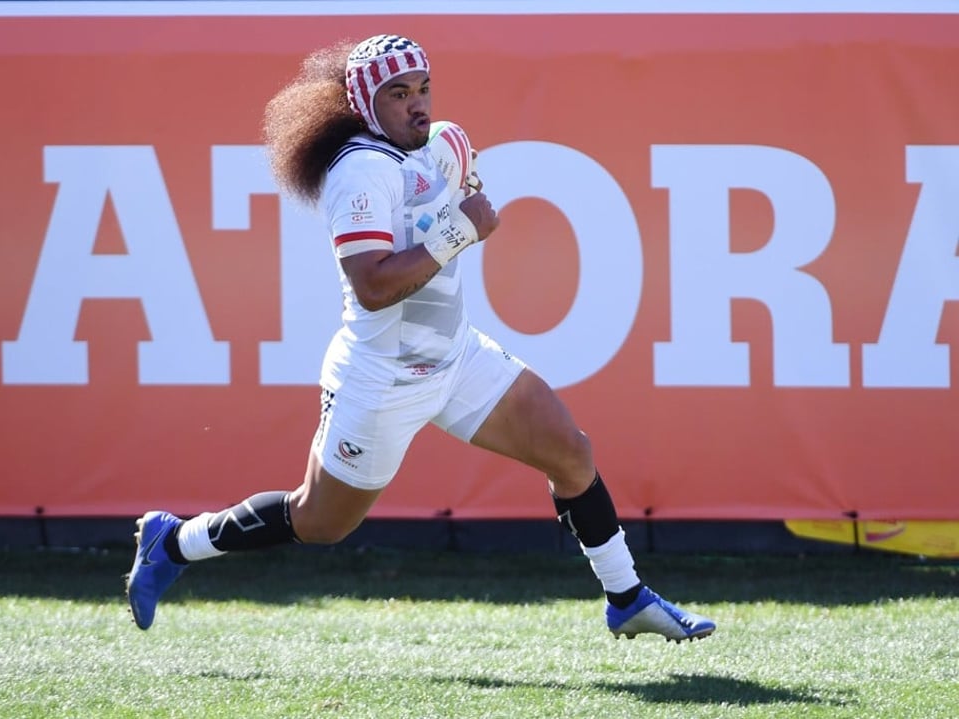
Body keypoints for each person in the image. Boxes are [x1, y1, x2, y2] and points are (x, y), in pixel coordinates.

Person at [125, 33, 716, 644]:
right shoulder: (358, 171)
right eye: (398, 93)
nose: (418, 105)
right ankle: (175, 541)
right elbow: (375, 286)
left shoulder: (422, 148)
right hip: (382, 379)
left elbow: (433, 192)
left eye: (424, 88)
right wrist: (461, 226)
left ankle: (627, 597)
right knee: (319, 520)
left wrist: (453, 179)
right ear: (363, 105)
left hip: (454, 356)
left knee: (571, 451)